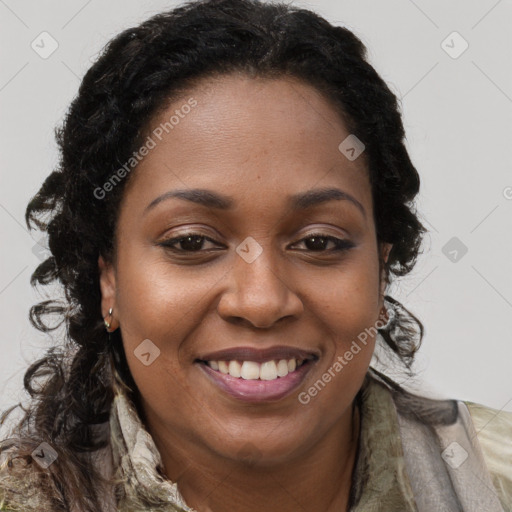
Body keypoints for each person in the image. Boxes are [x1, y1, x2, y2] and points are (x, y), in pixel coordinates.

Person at [0, 0, 510, 510]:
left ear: (380, 273)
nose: (262, 301)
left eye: (318, 242)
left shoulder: (493, 481)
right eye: (191, 242)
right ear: (107, 277)